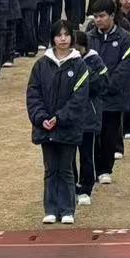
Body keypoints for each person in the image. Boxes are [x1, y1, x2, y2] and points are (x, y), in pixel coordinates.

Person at [26, 20, 88, 225]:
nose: (63, 39)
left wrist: (60, 117)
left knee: (66, 169)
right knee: (50, 169)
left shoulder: (79, 65)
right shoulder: (41, 65)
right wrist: (41, 118)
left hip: (68, 127)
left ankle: (68, 209)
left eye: (66, 35)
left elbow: (79, 98)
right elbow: (33, 95)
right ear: (53, 38)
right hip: (46, 128)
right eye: (59, 35)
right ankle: (51, 208)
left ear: (72, 37)